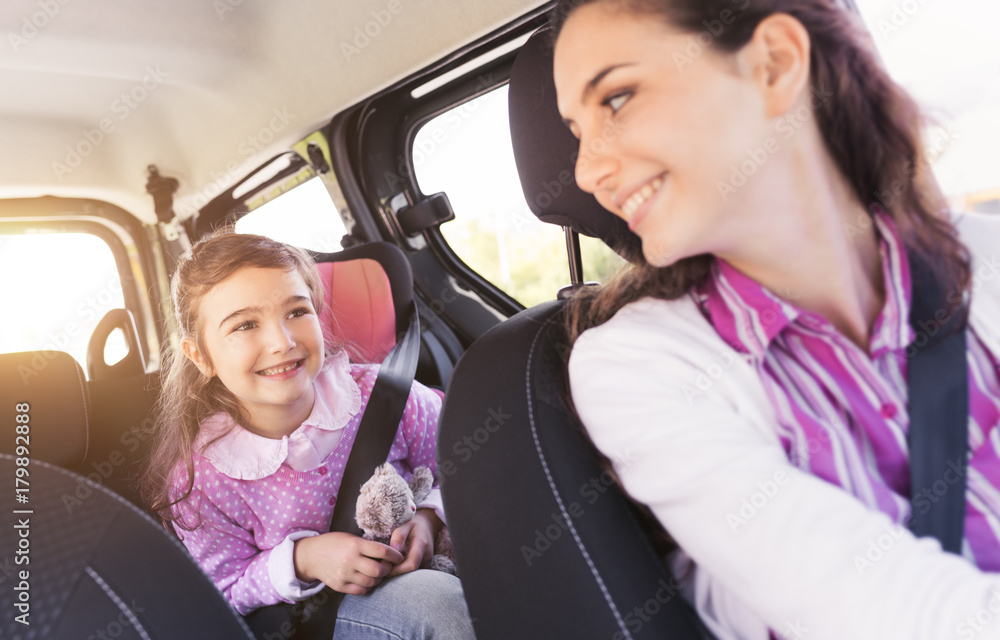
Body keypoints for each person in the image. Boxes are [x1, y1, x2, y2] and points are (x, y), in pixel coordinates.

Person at [553, 0, 1000, 638]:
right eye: (575, 130)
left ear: (774, 64)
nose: (586, 171)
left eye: (617, 99)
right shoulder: (640, 369)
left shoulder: (986, 257)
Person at [142, 231, 473, 639]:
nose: (282, 341)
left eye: (297, 312)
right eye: (245, 325)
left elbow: (465, 466)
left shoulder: (387, 397)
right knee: (437, 606)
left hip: (440, 560)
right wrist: (303, 559)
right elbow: (224, 591)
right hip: (322, 615)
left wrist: (429, 517)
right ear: (201, 356)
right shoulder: (203, 478)